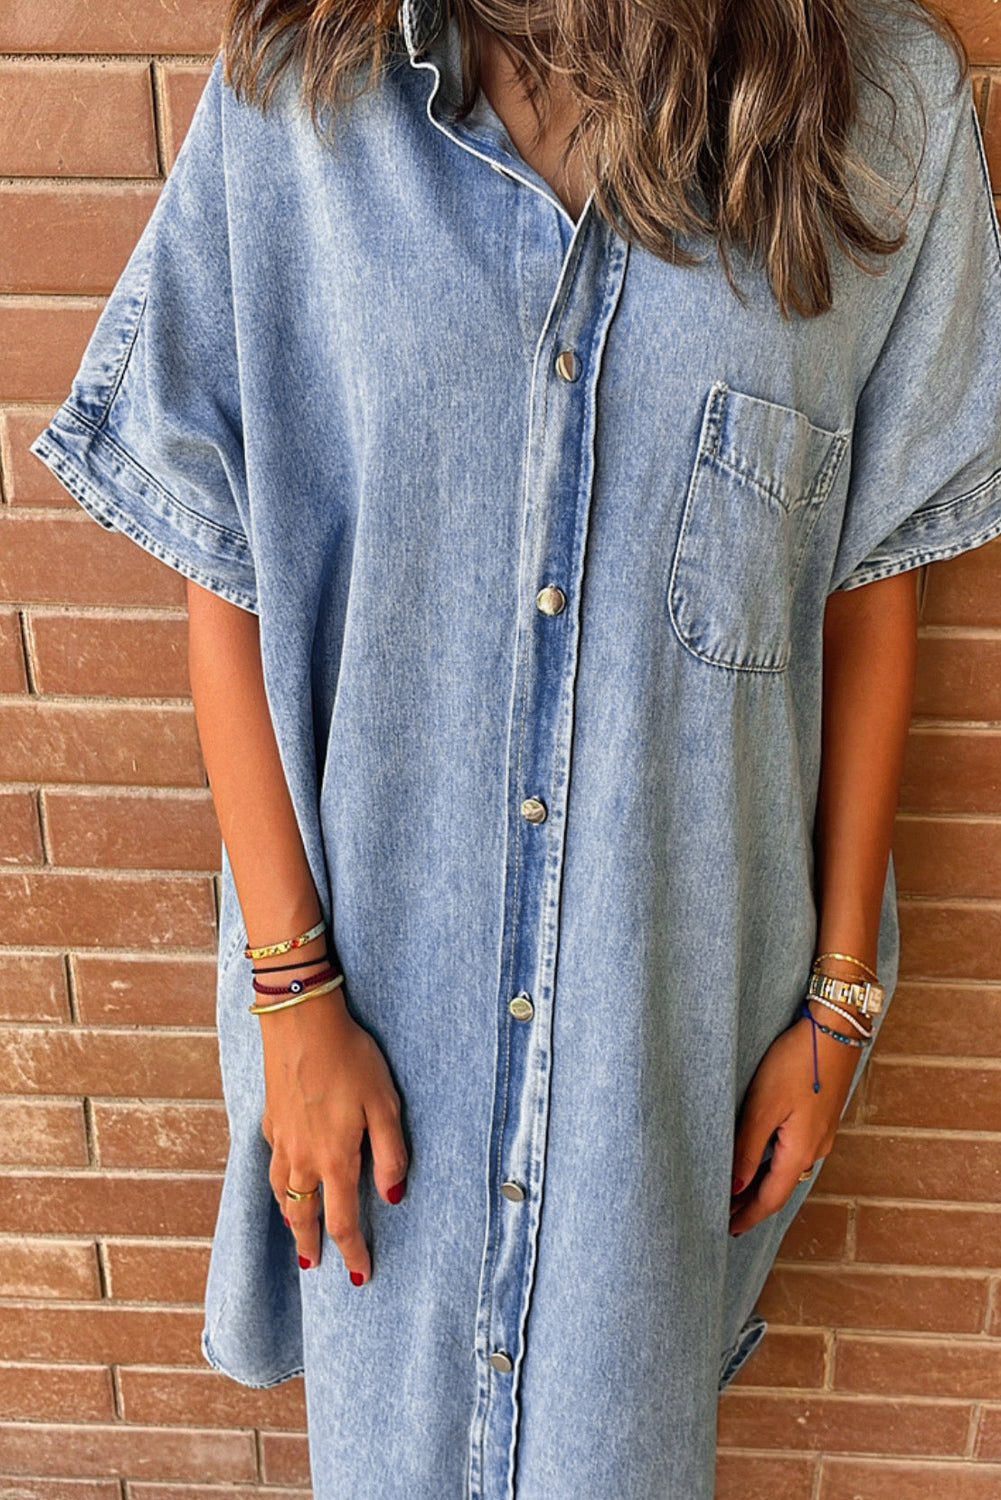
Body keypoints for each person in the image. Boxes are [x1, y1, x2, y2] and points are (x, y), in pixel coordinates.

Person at [27, 0, 1001, 1494]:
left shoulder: (878, 114)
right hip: (368, 1032)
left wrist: (842, 1000)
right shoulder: (304, 97)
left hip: (660, 1060)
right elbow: (227, 560)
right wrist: (292, 996)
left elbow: (870, 579)